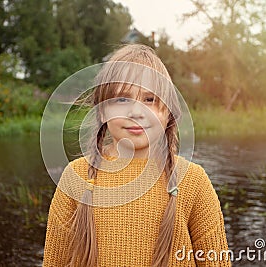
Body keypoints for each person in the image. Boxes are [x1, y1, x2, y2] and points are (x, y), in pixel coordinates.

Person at [42, 44, 231, 267]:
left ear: (167, 112)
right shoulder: (75, 177)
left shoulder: (193, 181)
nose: (136, 112)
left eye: (150, 99)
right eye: (122, 99)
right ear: (102, 111)